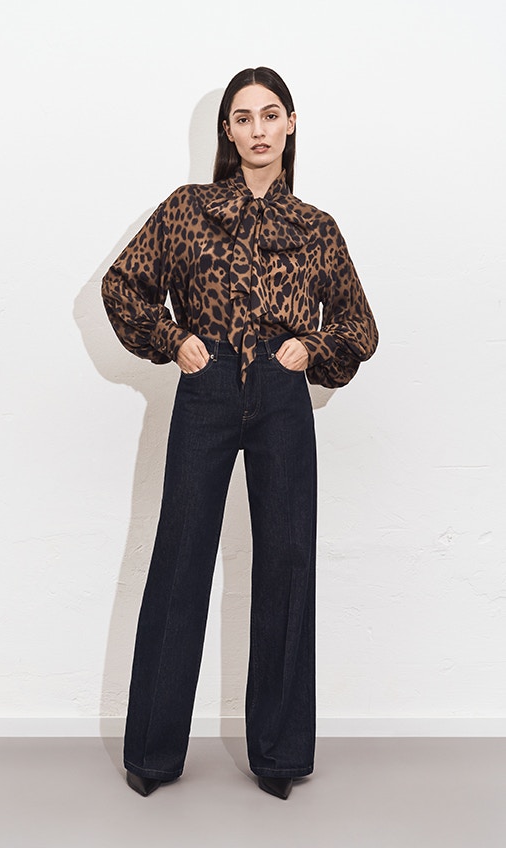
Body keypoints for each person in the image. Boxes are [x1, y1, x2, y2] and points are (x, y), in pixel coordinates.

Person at [101, 66, 378, 800]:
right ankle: (152, 753)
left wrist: (309, 349)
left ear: (291, 123)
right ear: (227, 130)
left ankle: (280, 757)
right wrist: (174, 340)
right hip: (209, 385)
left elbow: (360, 325)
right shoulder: (188, 209)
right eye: (244, 117)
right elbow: (122, 285)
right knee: (180, 558)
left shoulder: (316, 227)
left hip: (282, 392)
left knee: (287, 563)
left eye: (271, 114)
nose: (258, 129)